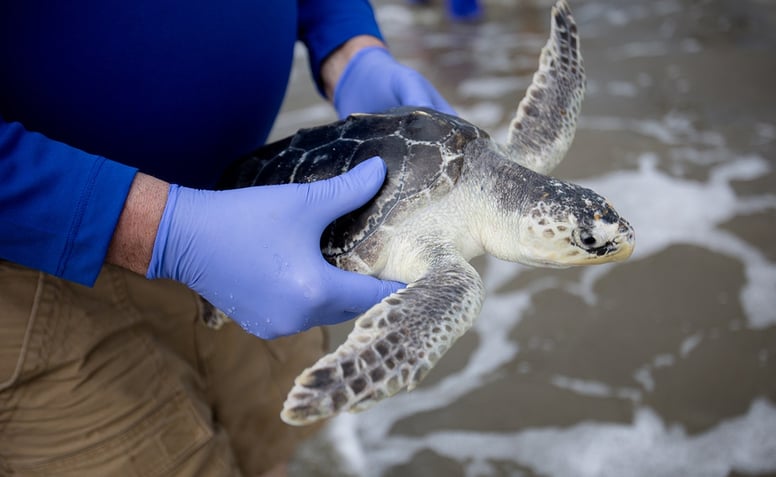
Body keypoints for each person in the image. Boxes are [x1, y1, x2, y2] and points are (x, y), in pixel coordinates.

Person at [0, 1, 455, 475]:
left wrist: (348, 47)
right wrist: (167, 230)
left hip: (257, 213)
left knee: (292, 446)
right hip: (37, 259)